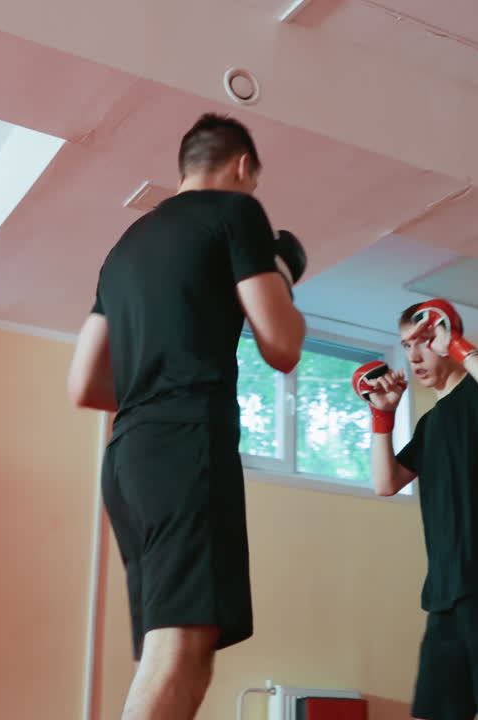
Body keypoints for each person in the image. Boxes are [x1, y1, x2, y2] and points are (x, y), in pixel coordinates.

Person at [66, 112, 307, 720]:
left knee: (186, 647)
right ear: (242, 167)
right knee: (178, 650)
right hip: (185, 445)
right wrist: (279, 275)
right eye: (252, 182)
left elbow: (84, 385)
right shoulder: (235, 212)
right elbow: (281, 345)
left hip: (128, 460)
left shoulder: (122, 250)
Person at [354, 298, 478, 720]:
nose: (414, 354)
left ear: (445, 337)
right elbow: (385, 483)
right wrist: (381, 417)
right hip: (444, 591)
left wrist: (459, 346)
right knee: (440, 710)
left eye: (423, 341)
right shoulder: (431, 424)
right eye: (406, 345)